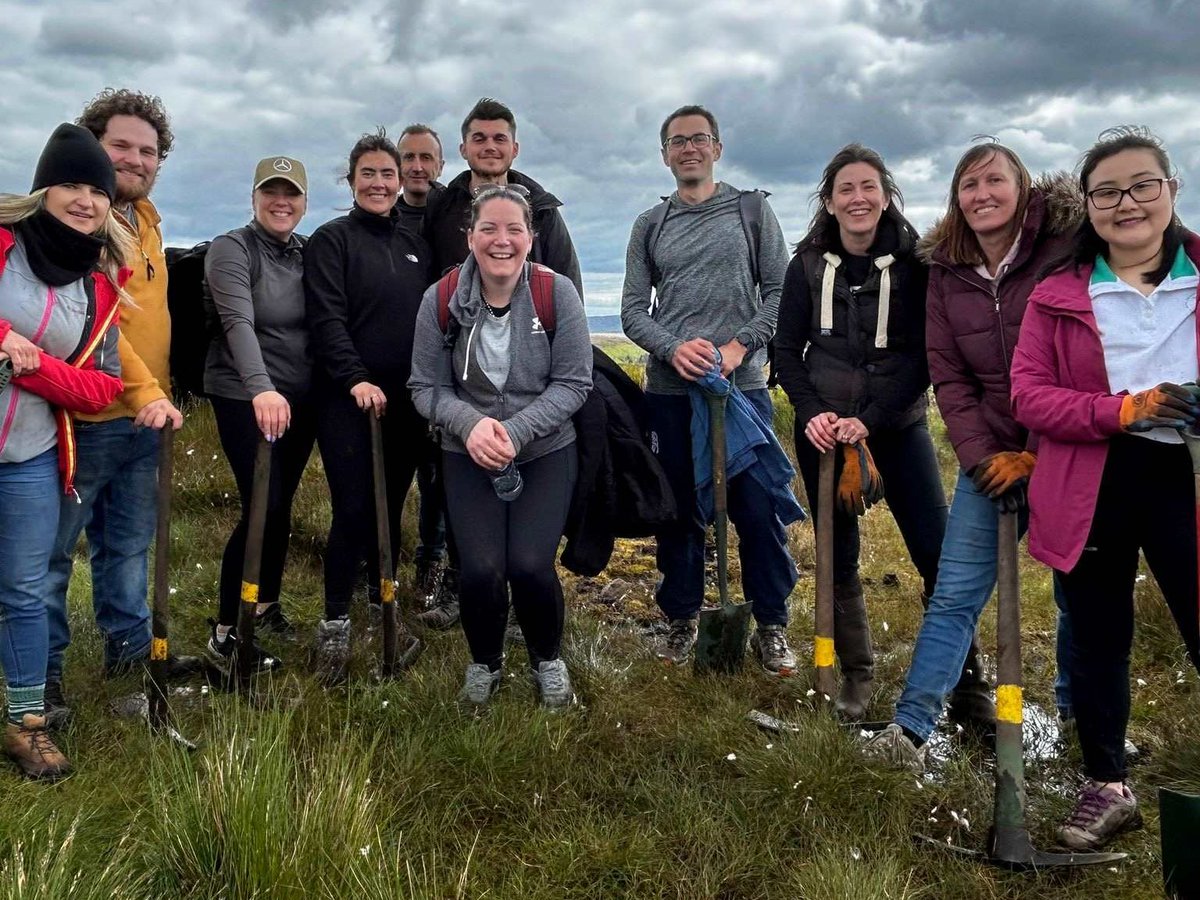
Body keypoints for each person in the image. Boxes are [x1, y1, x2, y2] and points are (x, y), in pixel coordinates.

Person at [1011, 126, 1200, 850]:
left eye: (1142, 185)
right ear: (1088, 206)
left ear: (1171, 189)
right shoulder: (1058, 295)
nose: (1127, 203)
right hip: (1093, 480)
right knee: (1097, 638)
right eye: (1108, 192)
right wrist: (1123, 410)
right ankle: (1107, 783)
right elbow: (1030, 396)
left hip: (1188, 477)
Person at [861, 142, 1078, 770]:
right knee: (954, 592)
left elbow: (1081, 360)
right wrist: (982, 457)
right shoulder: (947, 269)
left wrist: (1037, 454)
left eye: (994, 181)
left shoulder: (1065, 251)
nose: (982, 195)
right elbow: (949, 377)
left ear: (1022, 185)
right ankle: (910, 730)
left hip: (1069, 448)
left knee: (1077, 593)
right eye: (969, 185)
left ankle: (1082, 722)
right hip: (990, 455)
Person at [775, 144, 984, 721]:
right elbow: (786, 349)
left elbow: (924, 356)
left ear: (886, 196)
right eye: (846, 189)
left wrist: (870, 419)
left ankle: (969, 686)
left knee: (936, 553)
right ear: (829, 202)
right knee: (837, 556)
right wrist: (812, 411)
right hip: (824, 433)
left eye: (869, 186)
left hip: (897, 426)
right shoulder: (805, 266)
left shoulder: (918, 265)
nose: (858, 198)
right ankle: (856, 675)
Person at [620, 104, 800, 674]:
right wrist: (674, 349)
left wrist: (739, 346)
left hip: (740, 388)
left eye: (699, 139)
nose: (689, 148)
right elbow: (631, 310)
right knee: (677, 511)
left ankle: (771, 623)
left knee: (757, 508)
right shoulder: (650, 224)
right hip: (670, 393)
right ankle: (682, 618)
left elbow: (782, 291)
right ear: (665, 155)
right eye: (677, 141)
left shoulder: (752, 211)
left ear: (717, 149)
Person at [409, 184, 592, 708]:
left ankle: (546, 659)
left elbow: (574, 382)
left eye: (514, 229)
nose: (501, 240)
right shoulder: (441, 298)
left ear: (530, 238)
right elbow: (424, 387)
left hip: (545, 450)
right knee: (481, 569)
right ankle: (485, 663)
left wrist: (515, 432)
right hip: (466, 453)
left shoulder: (556, 293)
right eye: (488, 228)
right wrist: (470, 426)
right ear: (470, 236)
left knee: (530, 565)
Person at [43, 89, 187, 723]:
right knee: (51, 555)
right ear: (93, 148)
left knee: (127, 547)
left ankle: (129, 659)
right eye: (120, 146)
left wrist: (161, 394)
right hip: (81, 419)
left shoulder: (146, 222)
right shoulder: (81, 223)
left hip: (144, 420)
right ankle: (42, 675)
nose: (135, 159)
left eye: (148, 151)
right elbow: (100, 326)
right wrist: (148, 391)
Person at [1, 124, 129, 777]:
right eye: (72, 184)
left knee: (24, 590)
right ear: (42, 190)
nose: (86, 200)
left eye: (98, 191)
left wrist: (30, 368)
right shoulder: (4, 245)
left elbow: (102, 387)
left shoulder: (99, 284)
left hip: (31, 455)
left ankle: (26, 726)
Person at [303, 129, 428, 684]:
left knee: (391, 509)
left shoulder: (414, 245)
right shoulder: (332, 241)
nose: (379, 183)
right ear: (351, 180)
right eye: (368, 174)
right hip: (347, 401)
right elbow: (326, 318)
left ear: (401, 181)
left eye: (387, 174)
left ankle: (385, 611)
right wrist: (355, 378)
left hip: (406, 402)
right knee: (353, 509)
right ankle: (334, 625)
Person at [203, 156, 316, 672]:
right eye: (271, 192)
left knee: (280, 506)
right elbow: (237, 323)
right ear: (253, 198)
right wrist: (262, 390)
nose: (281, 202)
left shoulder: (305, 252)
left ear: (304, 203)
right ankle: (226, 630)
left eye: (291, 193)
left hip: (298, 397)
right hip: (244, 395)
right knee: (260, 507)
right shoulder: (233, 248)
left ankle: (265, 605)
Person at [425, 97, 584, 296]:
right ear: (463, 149)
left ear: (514, 149)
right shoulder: (441, 207)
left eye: (499, 139)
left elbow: (569, 288)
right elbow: (424, 283)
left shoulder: (542, 210)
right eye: (479, 139)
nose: (490, 146)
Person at [396, 124, 453, 621]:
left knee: (441, 476)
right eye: (408, 157)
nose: (417, 166)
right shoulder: (384, 215)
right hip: (393, 366)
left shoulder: (452, 213)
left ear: (441, 164)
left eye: (426, 158)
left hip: (446, 366)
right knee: (398, 473)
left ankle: (433, 565)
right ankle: (380, 570)